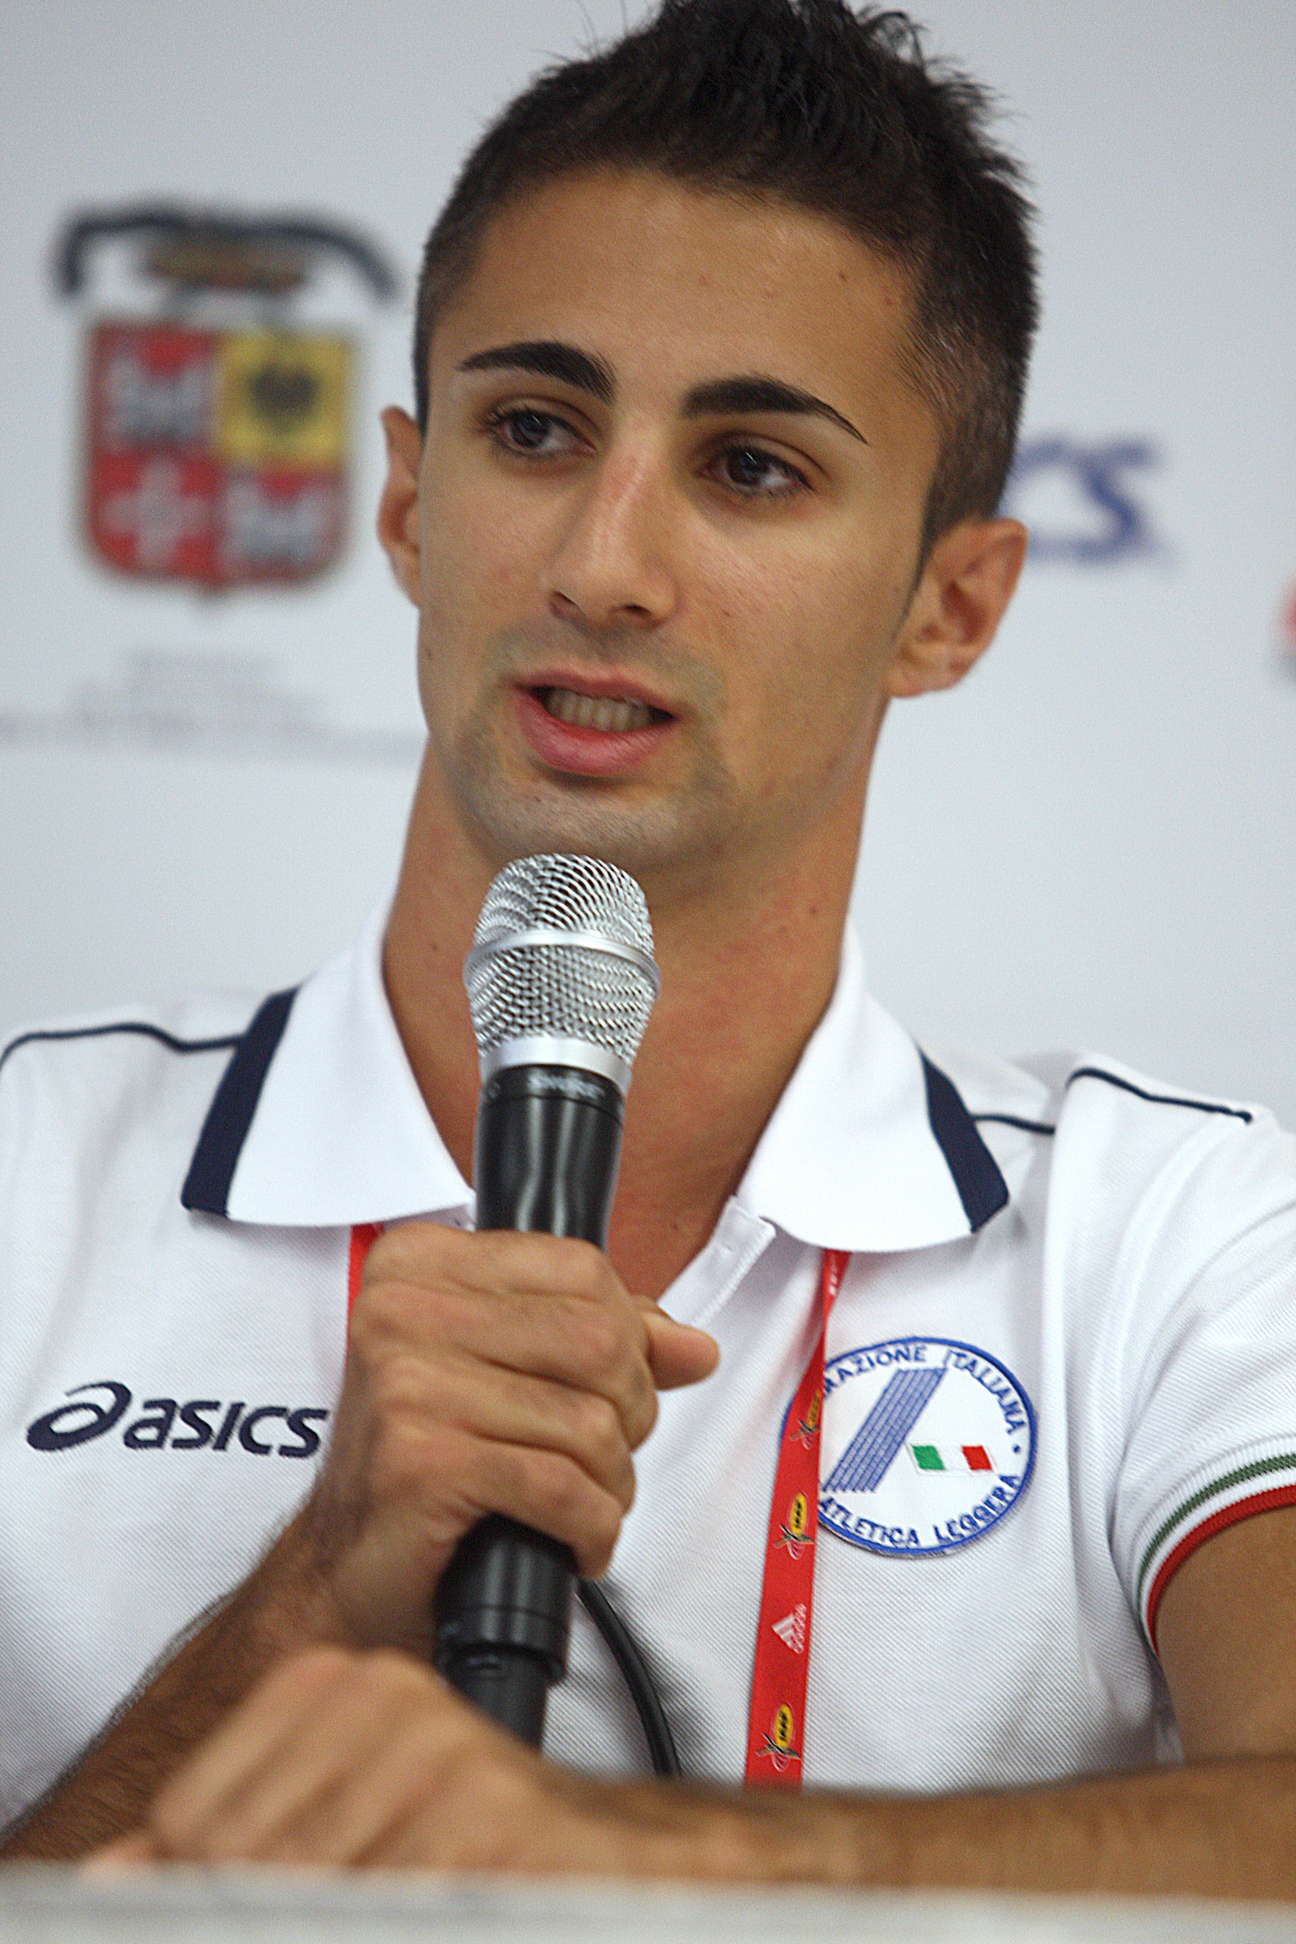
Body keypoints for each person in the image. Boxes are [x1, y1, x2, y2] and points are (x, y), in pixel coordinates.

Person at [5, 0, 1296, 1898]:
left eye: (752, 466)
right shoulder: (25, 1173)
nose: (604, 563)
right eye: (534, 429)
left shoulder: (1179, 1238)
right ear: (409, 499)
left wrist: (630, 1857)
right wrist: (308, 1596)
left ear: (949, 607)